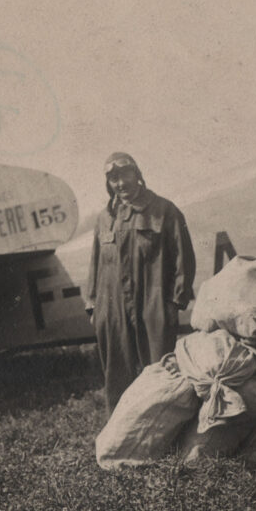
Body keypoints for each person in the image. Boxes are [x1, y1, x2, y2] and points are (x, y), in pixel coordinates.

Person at [86, 152, 196, 414]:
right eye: (113, 178)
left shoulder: (164, 210)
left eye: (125, 175)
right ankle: (122, 432)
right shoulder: (104, 218)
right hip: (112, 307)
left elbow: (184, 258)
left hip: (153, 302)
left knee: (161, 373)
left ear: (137, 175)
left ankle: (167, 431)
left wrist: (175, 301)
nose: (121, 183)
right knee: (117, 376)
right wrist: (94, 307)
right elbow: (96, 263)